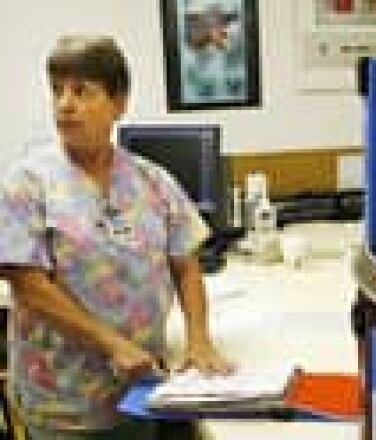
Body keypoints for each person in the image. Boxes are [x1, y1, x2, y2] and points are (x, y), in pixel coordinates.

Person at [0, 35, 232, 439]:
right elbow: (27, 285)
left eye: (81, 91)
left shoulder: (152, 180)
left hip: (141, 387)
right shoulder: (26, 183)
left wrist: (198, 339)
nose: (64, 104)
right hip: (64, 399)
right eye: (57, 91)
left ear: (119, 102)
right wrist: (111, 344)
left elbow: (186, 264)